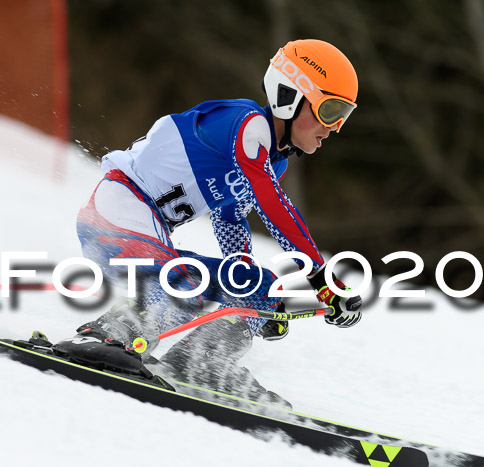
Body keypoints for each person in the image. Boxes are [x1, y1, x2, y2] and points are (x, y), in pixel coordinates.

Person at [57, 39, 363, 404]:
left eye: (343, 115)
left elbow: (231, 218)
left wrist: (251, 298)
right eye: (329, 111)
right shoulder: (247, 126)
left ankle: (202, 361)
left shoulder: (272, 159)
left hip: (146, 231)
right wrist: (320, 278)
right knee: (187, 280)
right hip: (116, 215)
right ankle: (106, 335)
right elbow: (273, 205)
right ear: (289, 96)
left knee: (259, 284)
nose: (334, 127)